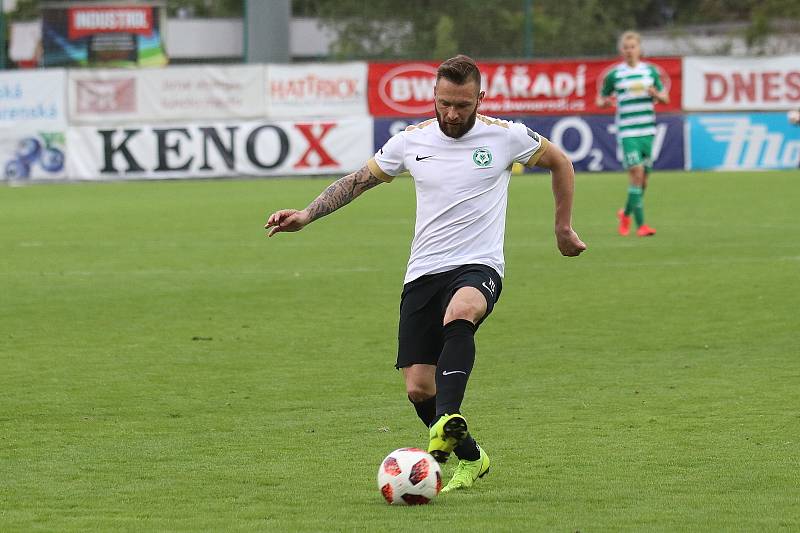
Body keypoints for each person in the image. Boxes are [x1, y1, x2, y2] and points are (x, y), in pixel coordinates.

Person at [265, 55, 586, 493]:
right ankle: (472, 457)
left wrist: (562, 227)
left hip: (479, 264)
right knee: (418, 387)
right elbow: (358, 181)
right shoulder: (410, 142)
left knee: (463, 310)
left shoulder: (506, 137)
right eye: (445, 103)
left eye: (463, 105)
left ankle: (447, 421)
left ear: (480, 100)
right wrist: (305, 214)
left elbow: (561, 162)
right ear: (433, 97)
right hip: (423, 271)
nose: (453, 114)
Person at [597, 31, 669, 237]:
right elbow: (600, 99)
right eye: (626, 47)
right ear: (622, 50)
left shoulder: (650, 72)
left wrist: (656, 94)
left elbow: (665, 97)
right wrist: (605, 103)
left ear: (639, 49)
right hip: (628, 131)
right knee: (636, 173)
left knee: (643, 181)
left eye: (633, 47)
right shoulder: (614, 75)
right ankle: (642, 225)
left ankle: (625, 213)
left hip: (648, 130)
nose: (629, 50)